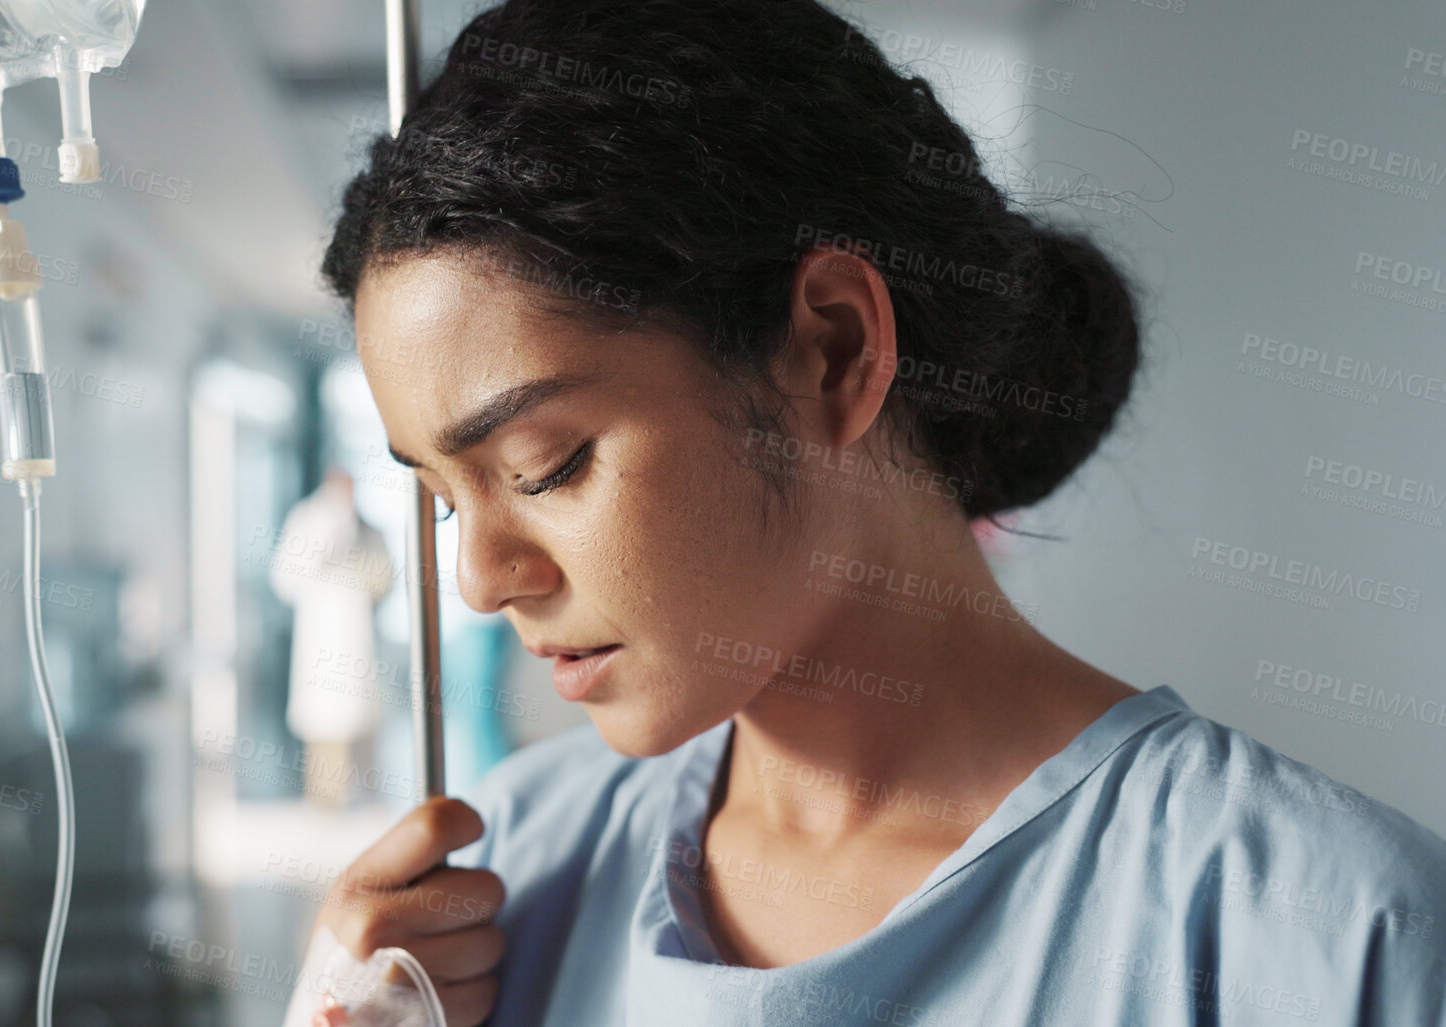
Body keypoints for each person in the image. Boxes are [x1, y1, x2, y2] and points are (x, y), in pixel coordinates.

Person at [289, 0, 1446, 1024]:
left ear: (834, 350)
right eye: (441, 499)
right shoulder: (500, 887)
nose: (482, 579)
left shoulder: (1319, 927)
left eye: (546, 462)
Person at [271, 469, 395, 808]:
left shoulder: (369, 529)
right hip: (322, 638)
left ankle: (369, 799)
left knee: (365, 721)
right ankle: (326, 800)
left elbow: (386, 580)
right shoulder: (306, 520)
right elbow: (285, 578)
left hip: (361, 641)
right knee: (326, 721)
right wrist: (322, 550)